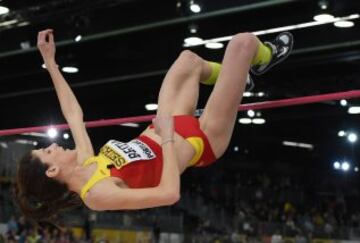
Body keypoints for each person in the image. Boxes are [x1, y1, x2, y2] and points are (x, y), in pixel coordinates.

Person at [15, 29, 293, 223]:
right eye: (48, 152)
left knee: (188, 60)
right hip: (201, 139)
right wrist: (169, 138)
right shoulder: (96, 195)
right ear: (52, 170)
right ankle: (266, 55)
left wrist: (50, 62)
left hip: (168, 121)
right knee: (242, 44)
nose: (53, 145)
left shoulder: (87, 160)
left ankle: (239, 79)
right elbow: (169, 194)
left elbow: (73, 113)